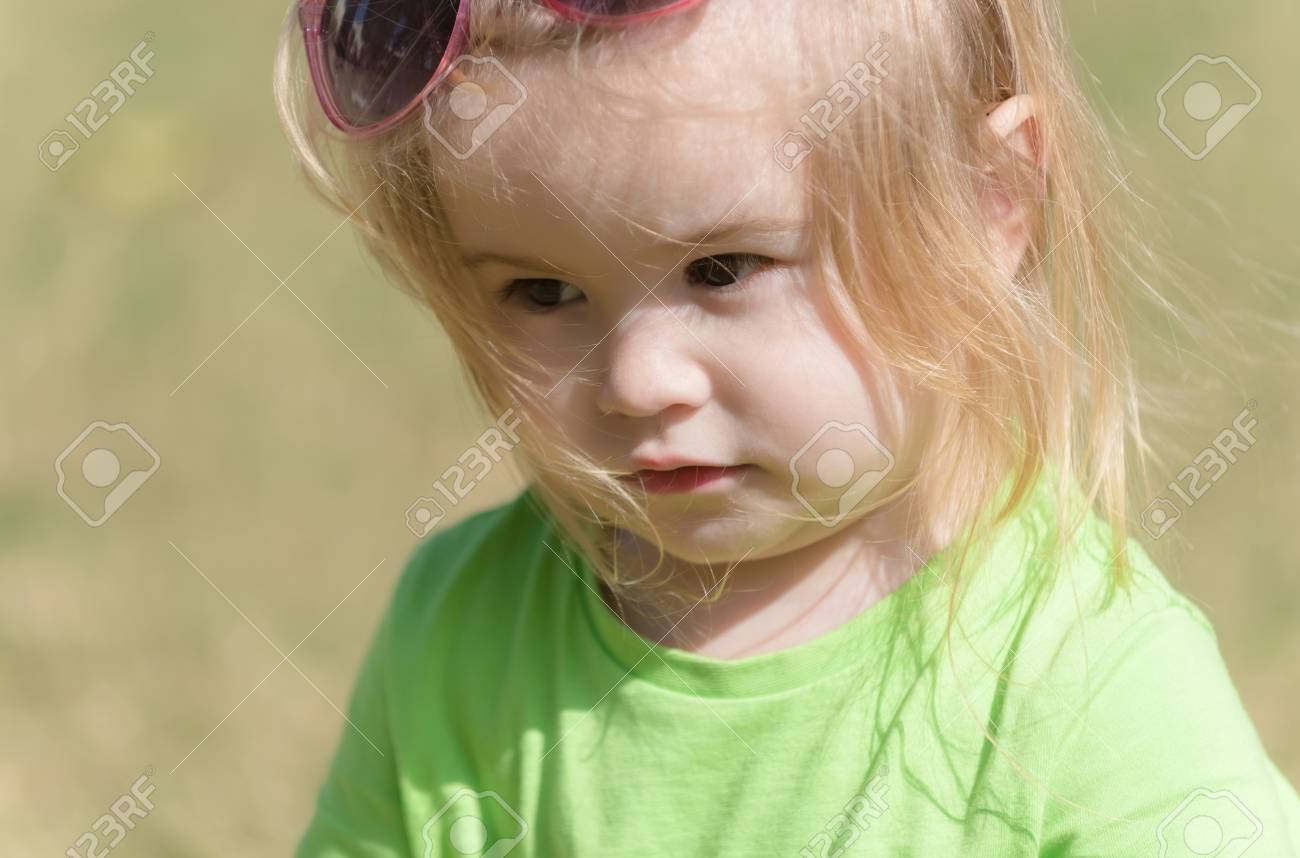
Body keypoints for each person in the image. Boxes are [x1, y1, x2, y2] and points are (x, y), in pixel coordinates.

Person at [275, 0, 1300, 854]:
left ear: (989, 199)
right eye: (542, 292)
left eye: (722, 270)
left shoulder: (1089, 685)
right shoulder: (459, 631)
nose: (636, 379)